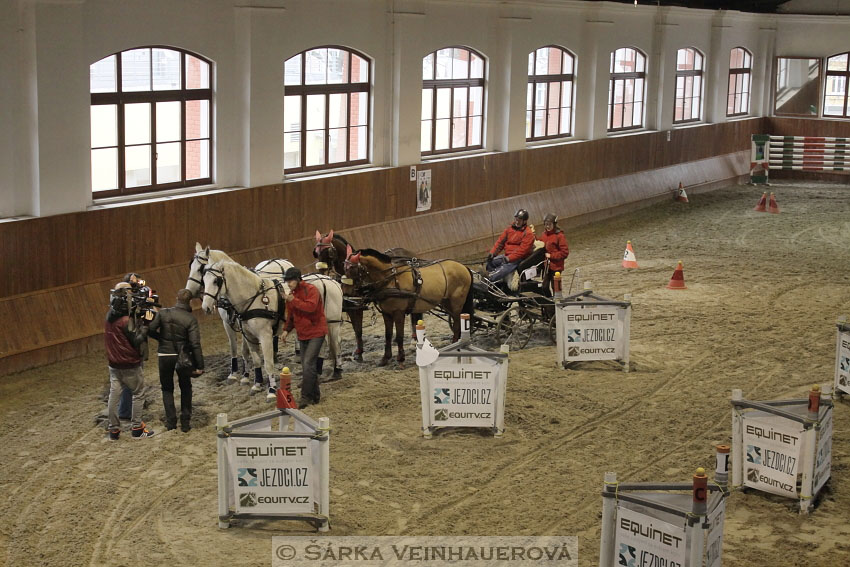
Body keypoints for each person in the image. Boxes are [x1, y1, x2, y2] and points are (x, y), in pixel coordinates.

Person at [147, 289, 204, 432]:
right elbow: (195, 343)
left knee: (167, 388)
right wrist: (200, 364)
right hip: (182, 356)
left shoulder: (163, 313)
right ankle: (185, 422)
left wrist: (161, 339)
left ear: (176, 298)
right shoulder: (190, 319)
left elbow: (150, 329)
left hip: (164, 355)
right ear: (190, 301)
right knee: (185, 387)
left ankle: (171, 422)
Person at [104, 282, 155, 440]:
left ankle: (113, 430)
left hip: (113, 364)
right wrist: (146, 325)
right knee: (138, 394)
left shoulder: (109, 316)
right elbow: (137, 340)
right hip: (130, 364)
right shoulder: (126, 321)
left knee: (114, 395)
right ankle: (137, 428)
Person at [280, 267, 327, 408]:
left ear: (297, 279)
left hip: (317, 331)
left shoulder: (311, 290)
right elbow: (291, 316)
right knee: (308, 365)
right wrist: (286, 330)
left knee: (308, 364)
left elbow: (311, 308)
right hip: (303, 333)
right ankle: (315, 396)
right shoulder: (292, 295)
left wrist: (293, 300)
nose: (288, 284)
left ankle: (305, 397)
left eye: (290, 281)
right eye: (287, 281)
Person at [486, 209, 535, 283]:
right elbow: (500, 243)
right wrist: (493, 253)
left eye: (519, 220)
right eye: (516, 219)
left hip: (518, 258)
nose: (517, 221)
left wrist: (509, 258)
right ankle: (495, 281)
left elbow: (522, 251)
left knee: (505, 267)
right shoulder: (509, 229)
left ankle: (489, 278)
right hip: (507, 256)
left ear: (524, 221)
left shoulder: (528, 234)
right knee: (491, 262)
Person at [539, 213, 570, 295]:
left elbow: (565, 253)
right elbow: (540, 245)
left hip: (556, 266)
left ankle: (558, 302)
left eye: (549, 224)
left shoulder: (559, 236)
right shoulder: (544, 235)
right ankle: (550, 303)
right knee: (544, 286)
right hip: (546, 266)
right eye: (546, 224)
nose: (547, 226)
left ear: (554, 224)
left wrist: (551, 256)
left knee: (555, 287)